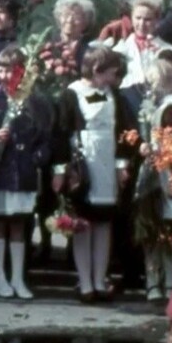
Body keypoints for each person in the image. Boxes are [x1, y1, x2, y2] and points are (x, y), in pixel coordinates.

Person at [52, 46, 138, 303]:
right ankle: (85, 281)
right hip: (82, 164)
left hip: (107, 163)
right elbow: (60, 134)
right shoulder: (72, 94)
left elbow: (124, 133)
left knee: (103, 223)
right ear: (97, 71)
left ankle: (100, 279)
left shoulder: (115, 97)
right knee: (82, 224)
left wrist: (122, 165)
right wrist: (60, 170)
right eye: (111, 72)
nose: (114, 78)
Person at [0, 46, 52, 300]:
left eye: (10, 69)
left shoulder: (35, 101)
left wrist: (35, 158)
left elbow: (44, 138)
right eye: (0, 68)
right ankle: (0, 277)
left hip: (24, 173)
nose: (5, 74)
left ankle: (18, 277)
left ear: (22, 70)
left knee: (19, 224)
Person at [134, 60, 172, 302]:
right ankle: (158, 282)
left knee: (164, 232)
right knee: (155, 231)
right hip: (157, 173)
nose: (151, 86)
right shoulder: (155, 106)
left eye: (155, 81)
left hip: (167, 172)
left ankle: (164, 282)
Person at [114, 0, 172, 116]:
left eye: (148, 19)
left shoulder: (167, 51)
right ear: (131, 18)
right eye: (138, 18)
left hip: (157, 107)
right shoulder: (120, 49)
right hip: (126, 105)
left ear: (157, 20)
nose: (142, 24)